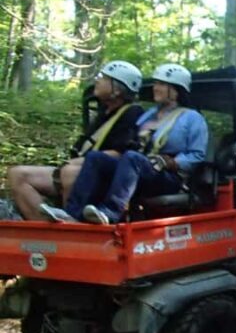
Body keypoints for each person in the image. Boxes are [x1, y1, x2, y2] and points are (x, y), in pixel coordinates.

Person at [40, 63, 207, 224]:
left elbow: (197, 155)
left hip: (168, 178)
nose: (156, 87)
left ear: (176, 90)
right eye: (156, 83)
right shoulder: (149, 115)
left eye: (162, 84)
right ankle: (71, 212)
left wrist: (172, 162)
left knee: (133, 158)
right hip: (138, 169)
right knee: (96, 157)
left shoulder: (192, 118)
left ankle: (110, 212)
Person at [6, 60, 144, 221]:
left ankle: (72, 226)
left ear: (118, 89)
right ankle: (46, 227)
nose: (97, 81)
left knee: (70, 172)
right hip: (76, 167)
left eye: (105, 78)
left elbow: (124, 153)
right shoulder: (104, 113)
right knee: (17, 174)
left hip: (106, 176)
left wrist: (81, 162)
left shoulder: (133, 113)